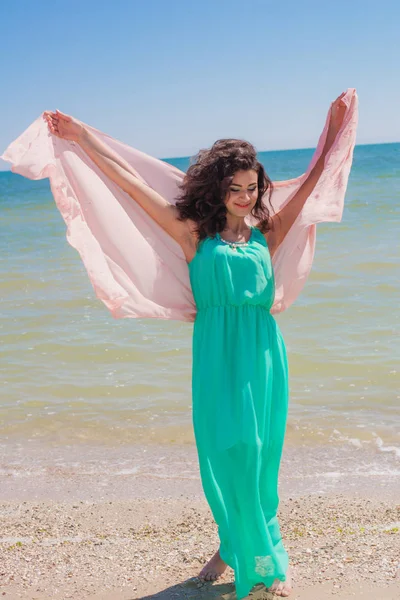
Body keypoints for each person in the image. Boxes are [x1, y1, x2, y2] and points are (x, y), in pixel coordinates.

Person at [43, 94, 346, 599]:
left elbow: (314, 186)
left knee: (259, 452)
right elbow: (131, 185)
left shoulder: (266, 234)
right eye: (237, 189)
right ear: (219, 188)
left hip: (263, 354)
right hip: (214, 354)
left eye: (253, 188)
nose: (247, 197)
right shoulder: (193, 236)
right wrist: (83, 138)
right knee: (226, 449)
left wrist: (334, 135)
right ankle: (232, 543)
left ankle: (261, 552)